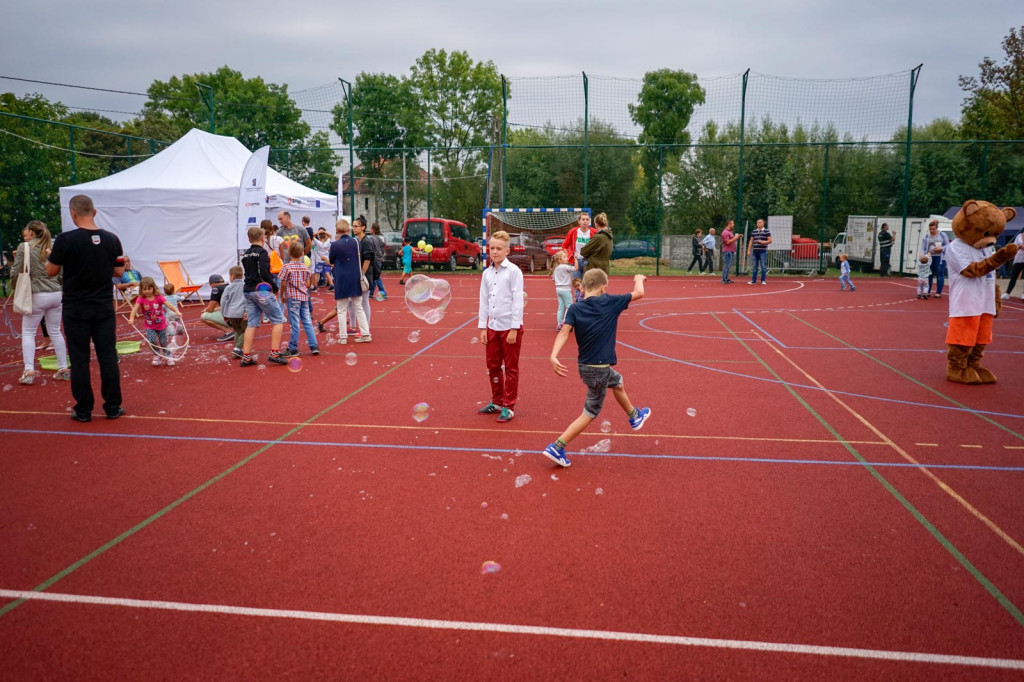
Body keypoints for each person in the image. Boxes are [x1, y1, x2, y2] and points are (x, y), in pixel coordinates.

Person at [542, 270, 651, 468]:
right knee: (590, 413)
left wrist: (553, 355)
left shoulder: (574, 308)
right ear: (603, 287)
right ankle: (557, 446)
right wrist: (638, 279)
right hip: (599, 369)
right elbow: (639, 293)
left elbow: (564, 332)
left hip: (585, 366)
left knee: (618, 382)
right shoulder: (610, 301)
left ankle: (634, 416)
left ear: (583, 288)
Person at [47, 194, 125, 422]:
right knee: (108, 357)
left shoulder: (65, 240)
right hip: (103, 306)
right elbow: (119, 272)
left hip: (76, 307)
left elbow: (51, 271)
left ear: (73, 213)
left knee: (79, 359)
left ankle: (83, 410)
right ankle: (112, 407)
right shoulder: (112, 239)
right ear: (94, 212)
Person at [476, 230, 524, 424]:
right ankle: (497, 401)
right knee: (493, 366)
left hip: (509, 328)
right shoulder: (487, 273)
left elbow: (517, 300)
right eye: (492, 248)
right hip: (492, 327)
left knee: (510, 368)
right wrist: (483, 327)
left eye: (498, 248)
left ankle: (508, 406)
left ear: (507, 251)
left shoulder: (514, 271)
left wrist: (514, 328)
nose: (494, 252)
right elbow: (484, 301)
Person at [12, 220, 68, 385]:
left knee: (28, 332)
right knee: (56, 332)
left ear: (31, 232)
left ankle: (29, 370)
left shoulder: (24, 247)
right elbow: (61, 272)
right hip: (56, 293)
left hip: (36, 294)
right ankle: (63, 368)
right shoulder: (51, 247)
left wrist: (15, 286)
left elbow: (15, 271)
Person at [239, 225, 287, 367]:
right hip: (261, 290)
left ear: (249, 239)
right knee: (278, 320)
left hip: (248, 290)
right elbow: (265, 273)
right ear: (262, 238)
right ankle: (274, 353)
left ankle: (246, 356)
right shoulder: (262, 253)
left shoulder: (246, 254)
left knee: (252, 323)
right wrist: (274, 287)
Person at [328, 219, 370, 344]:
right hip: (355, 277)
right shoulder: (356, 242)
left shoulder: (335, 245)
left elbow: (331, 260)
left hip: (341, 278)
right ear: (348, 229)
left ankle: (343, 337)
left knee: (341, 309)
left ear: (337, 230)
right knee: (359, 307)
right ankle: (366, 334)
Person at [278, 241, 319, 357]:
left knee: (295, 323)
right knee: (307, 321)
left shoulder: (286, 267)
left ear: (289, 253)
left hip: (293, 297)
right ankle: (314, 345)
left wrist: (283, 294)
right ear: (302, 254)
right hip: (304, 297)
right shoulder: (305, 268)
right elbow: (308, 284)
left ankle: (293, 348)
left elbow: (283, 283)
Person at [129, 276, 181, 366]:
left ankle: (168, 355)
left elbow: (169, 305)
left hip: (161, 324)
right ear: (141, 290)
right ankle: (157, 355)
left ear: (153, 288)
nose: (147, 291)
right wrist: (131, 318)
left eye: (149, 289)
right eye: (145, 289)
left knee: (163, 341)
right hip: (149, 325)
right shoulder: (140, 299)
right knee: (151, 340)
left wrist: (177, 311)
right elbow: (134, 309)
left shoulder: (159, 297)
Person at [352, 216, 376, 335]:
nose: (353, 228)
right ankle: (363, 328)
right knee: (360, 302)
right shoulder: (358, 240)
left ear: (363, 227)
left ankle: (365, 328)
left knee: (364, 301)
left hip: (365, 276)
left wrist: (361, 275)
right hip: (362, 274)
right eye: (353, 226)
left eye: (356, 226)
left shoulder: (366, 241)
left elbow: (367, 260)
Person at [219, 266, 247, 358]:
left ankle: (236, 350)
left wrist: (224, 313)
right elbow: (248, 299)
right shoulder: (245, 286)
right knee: (244, 331)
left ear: (232, 276)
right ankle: (237, 349)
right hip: (242, 312)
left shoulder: (228, 287)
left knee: (237, 331)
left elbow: (223, 301)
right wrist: (247, 311)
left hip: (232, 313)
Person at [199, 274, 234, 341]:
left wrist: (206, 310)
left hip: (231, 318)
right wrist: (215, 309)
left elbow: (210, 309)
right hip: (242, 317)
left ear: (213, 284)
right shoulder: (229, 286)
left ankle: (228, 331)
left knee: (203, 316)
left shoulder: (216, 289)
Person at [921, 219, 950, 298]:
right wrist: (923, 255)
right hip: (930, 257)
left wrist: (941, 249)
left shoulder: (942, 235)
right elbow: (923, 248)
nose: (932, 231)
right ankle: (928, 291)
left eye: (933, 229)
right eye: (930, 229)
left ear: (936, 228)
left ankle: (938, 292)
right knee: (929, 274)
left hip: (940, 257)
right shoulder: (926, 236)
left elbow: (948, 245)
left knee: (939, 274)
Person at [560, 212, 593, 277]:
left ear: (589, 221)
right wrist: (569, 256)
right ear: (579, 221)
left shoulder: (594, 232)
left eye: (587, 220)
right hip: (576, 262)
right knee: (576, 282)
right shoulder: (573, 231)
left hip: (589, 262)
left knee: (588, 282)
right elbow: (564, 246)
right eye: (583, 219)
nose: (585, 221)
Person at [551, 250, 575, 330]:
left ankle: (559, 324)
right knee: (569, 306)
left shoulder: (556, 268)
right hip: (565, 289)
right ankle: (564, 322)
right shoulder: (565, 267)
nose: (567, 258)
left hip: (558, 289)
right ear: (559, 260)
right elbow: (576, 268)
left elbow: (554, 279)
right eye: (564, 257)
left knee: (561, 306)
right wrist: (576, 259)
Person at [1000, 230, 1024, 300]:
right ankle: (1007, 293)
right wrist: (1019, 246)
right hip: (1019, 259)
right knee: (1014, 276)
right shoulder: (1019, 236)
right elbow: (1014, 246)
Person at [747, 218, 772, 285]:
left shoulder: (766, 231)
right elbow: (751, 241)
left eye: (760, 222)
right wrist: (748, 250)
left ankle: (763, 280)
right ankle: (753, 280)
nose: (758, 224)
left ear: (763, 223)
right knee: (754, 266)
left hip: (762, 251)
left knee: (763, 266)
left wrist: (763, 242)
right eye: (757, 222)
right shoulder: (754, 231)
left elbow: (770, 240)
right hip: (755, 251)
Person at [369, 222, 388, 300]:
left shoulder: (373, 238)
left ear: (373, 229)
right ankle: (370, 293)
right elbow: (382, 248)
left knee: (376, 277)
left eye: (370, 228)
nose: (369, 230)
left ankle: (383, 293)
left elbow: (373, 249)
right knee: (374, 277)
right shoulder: (381, 237)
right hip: (379, 258)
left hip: (375, 259)